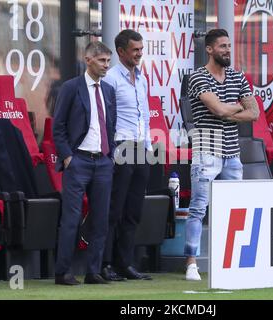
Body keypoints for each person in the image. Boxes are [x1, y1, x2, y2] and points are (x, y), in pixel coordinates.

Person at [184, 29, 259, 281]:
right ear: (209, 49)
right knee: (198, 208)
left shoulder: (238, 76)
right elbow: (216, 108)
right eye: (223, 46)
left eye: (229, 46)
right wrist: (236, 107)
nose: (227, 50)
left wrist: (228, 110)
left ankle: (230, 258)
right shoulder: (197, 77)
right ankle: (191, 263)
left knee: (233, 208)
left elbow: (255, 113)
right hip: (207, 148)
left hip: (232, 150)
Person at [53, 41, 117, 285]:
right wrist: (67, 157)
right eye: (102, 61)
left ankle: (94, 271)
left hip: (102, 162)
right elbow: (58, 126)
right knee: (71, 218)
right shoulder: (71, 88)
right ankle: (63, 272)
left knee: (100, 219)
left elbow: (110, 124)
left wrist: (110, 156)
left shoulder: (109, 90)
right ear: (88, 60)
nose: (106, 66)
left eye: (108, 61)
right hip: (78, 160)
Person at [101, 29, 153, 281]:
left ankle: (125, 263)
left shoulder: (142, 78)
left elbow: (145, 114)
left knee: (133, 210)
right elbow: (105, 118)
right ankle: (105, 263)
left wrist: (149, 147)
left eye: (141, 49)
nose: (139, 54)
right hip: (121, 147)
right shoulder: (110, 78)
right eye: (135, 50)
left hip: (142, 148)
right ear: (121, 52)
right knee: (114, 209)